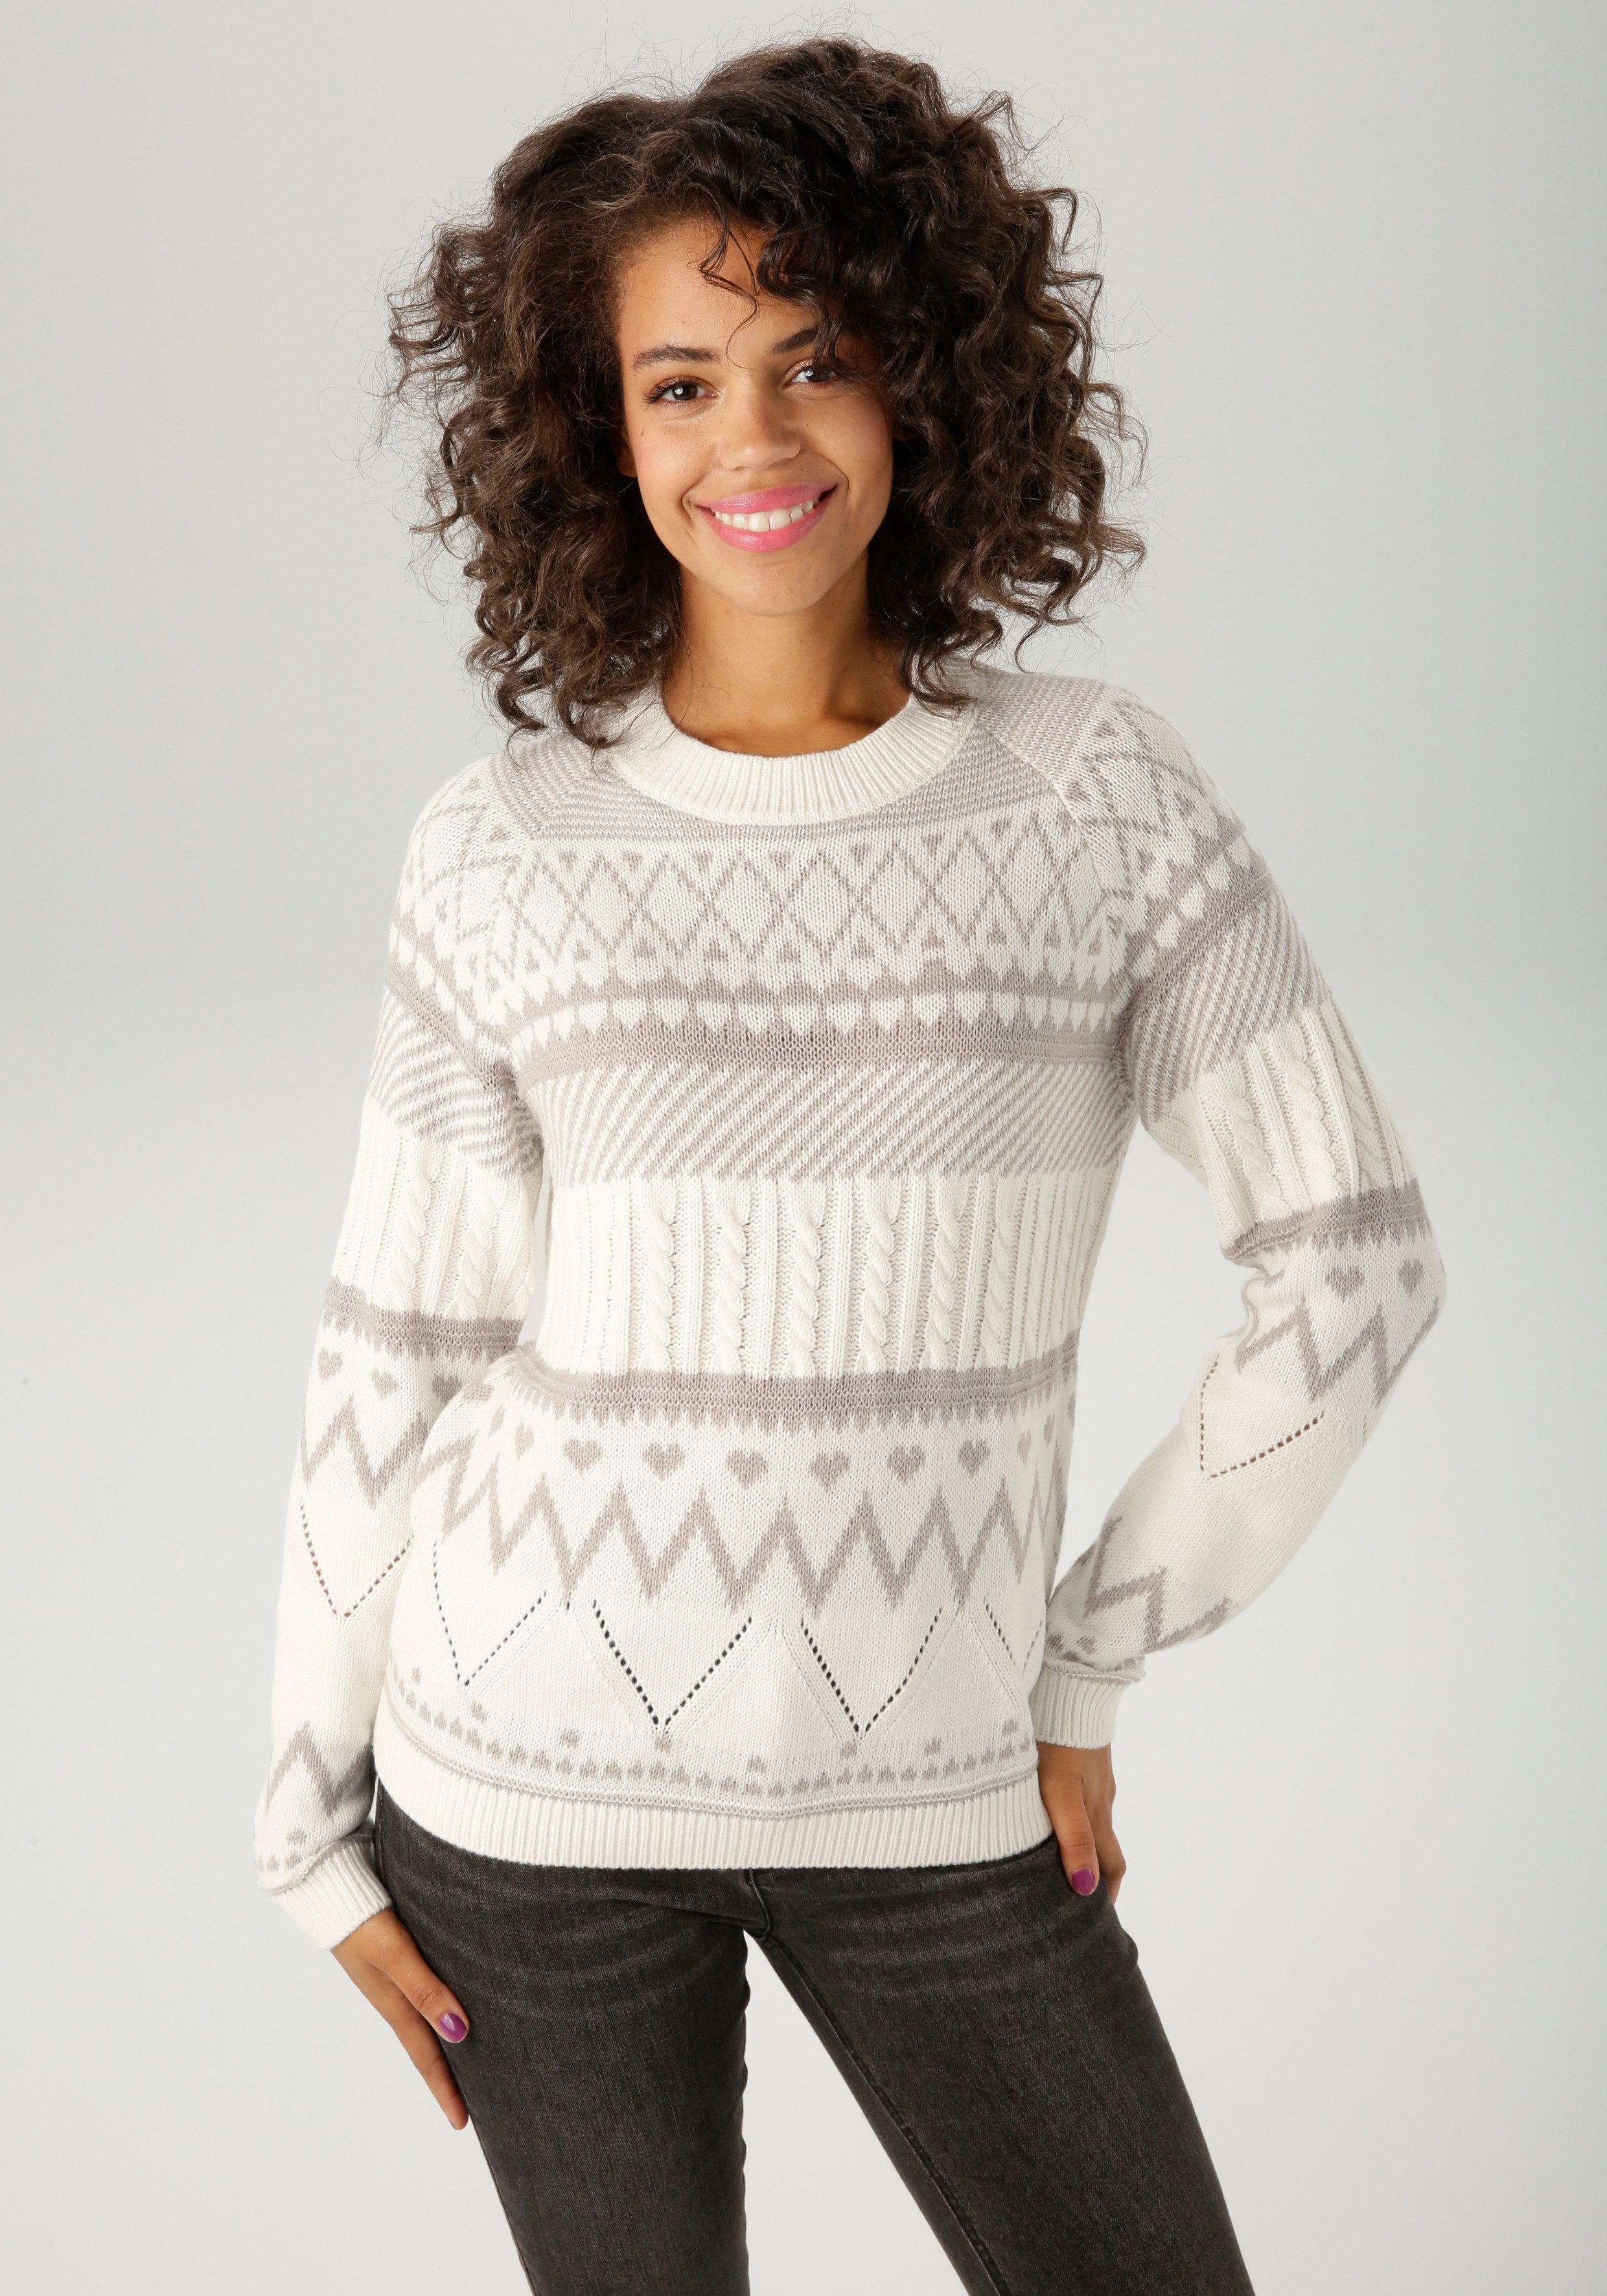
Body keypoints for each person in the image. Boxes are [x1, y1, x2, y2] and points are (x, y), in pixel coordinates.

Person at [255, 38, 1446, 2295]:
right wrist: (310, 1826)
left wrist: (1086, 1663)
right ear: (600, 432)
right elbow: (396, 1346)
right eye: (680, 382)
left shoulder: (1096, 799)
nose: (757, 438)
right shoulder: (501, 844)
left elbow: (1360, 1261)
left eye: (815, 359)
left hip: (940, 1788)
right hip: (520, 1802)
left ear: (924, 374)